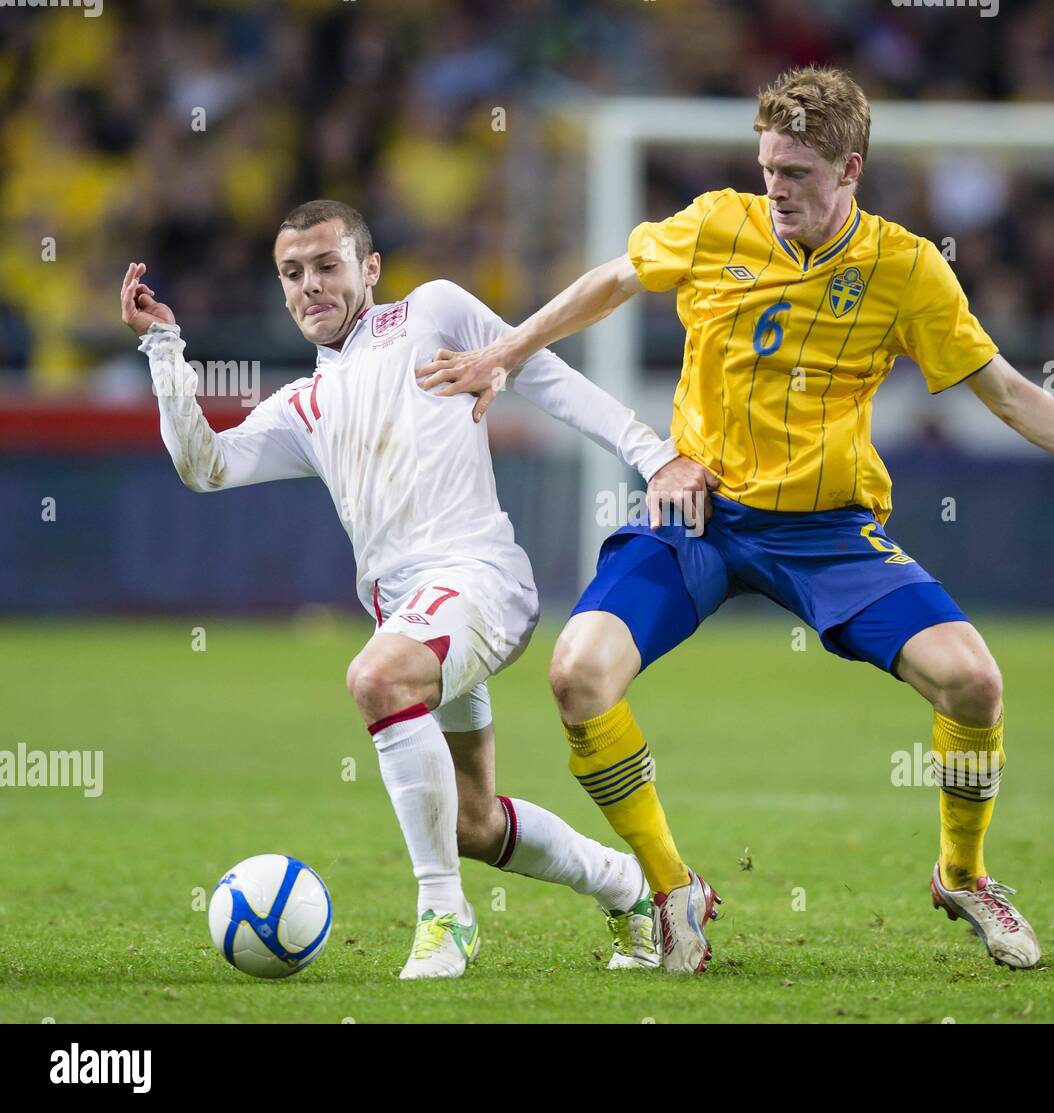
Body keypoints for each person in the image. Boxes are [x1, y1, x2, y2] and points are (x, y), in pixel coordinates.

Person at [417, 67, 1054, 974]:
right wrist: (507, 351)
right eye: (768, 167)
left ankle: (963, 873)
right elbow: (613, 279)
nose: (776, 188)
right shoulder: (720, 223)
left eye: (798, 173)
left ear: (851, 170)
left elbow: (1000, 387)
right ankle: (674, 886)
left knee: (974, 684)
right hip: (701, 515)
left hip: (825, 529)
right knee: (578, 674)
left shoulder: (907, 267)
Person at [121, 198, 694, 979]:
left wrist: (651, 451)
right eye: (292, 273)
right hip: (417, 614)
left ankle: (444, 917)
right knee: (471, 821)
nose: (309, 286)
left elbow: (546, 377)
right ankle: (628, 888)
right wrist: (163, 345)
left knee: (376, 676)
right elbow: (205, 465)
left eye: (327, 265)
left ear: (370, 268)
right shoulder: (302, 403)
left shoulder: (431, 312)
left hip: (479, 581)